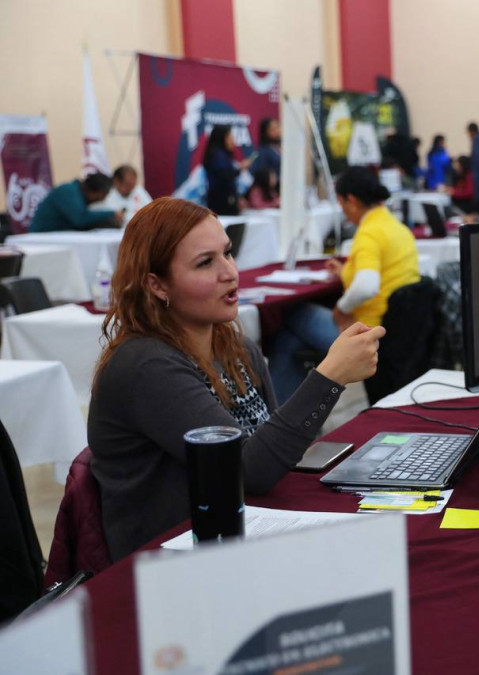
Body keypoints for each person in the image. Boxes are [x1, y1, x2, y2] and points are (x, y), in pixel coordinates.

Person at [88, 197, 384, 560]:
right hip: (169, 565)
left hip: (241, 537)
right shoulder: (145, 365)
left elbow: (277, 454)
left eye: (228, 253)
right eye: (205, 263)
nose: (229, 272)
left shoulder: (235, 347)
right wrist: (330, 376)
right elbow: (247, 471)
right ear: (157, 286)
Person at [268, 167, 419, 403]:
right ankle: (287, 413)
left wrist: (342, 310)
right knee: (289, 343)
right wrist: (345, 271)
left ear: (351, 200)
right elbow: (379, 272)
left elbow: (367, 285)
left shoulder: (369, 233)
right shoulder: (397, 228)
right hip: (399, 332)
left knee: (292, 314)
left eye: (340, 203)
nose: (342, 211)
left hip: (368, 333)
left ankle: (277, 416)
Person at [30, 173, 122, 232]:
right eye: (103, 195)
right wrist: (112, 213)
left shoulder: (77, 193)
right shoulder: (68, 192)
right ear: (98, 192)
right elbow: (80, 219)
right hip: (43, 237)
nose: (102, 199)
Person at [203, 125, 249, 216]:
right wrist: (240, 169)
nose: (233, 141)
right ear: (222, 138)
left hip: (223, 199)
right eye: (230, 137)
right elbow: (226, 176)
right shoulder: (218, 156)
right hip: (221, 201)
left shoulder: (222, 155)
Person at [250, 117, 282, 181]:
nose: (277, 131)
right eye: (273, 129)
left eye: (278, 127)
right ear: (266, 132)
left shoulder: (282, 147)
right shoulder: (264, 151)